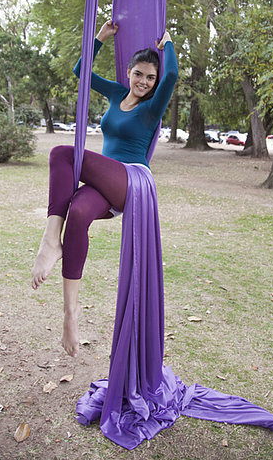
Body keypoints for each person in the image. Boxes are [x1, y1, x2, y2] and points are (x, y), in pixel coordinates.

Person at [31, 19, 178, 358]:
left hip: (132, 181)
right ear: (128, 72)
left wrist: (167, 44)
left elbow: (171, 76)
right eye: (139, 74)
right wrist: (101, 37)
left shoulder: (153, 105)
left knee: (60, 154)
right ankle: (70, 314)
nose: (144, 81)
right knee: (78, 212)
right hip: (104, 181)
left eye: (150, 77)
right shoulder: (115, 93)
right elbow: (81, 70)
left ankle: (50, 240)